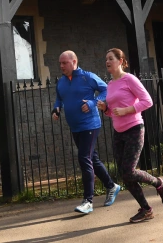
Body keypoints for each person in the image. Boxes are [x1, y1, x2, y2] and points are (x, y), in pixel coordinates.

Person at [97, 48, 163, 223]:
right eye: (106, 59)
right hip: (118, 132)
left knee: (129, 170)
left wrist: (127, 110)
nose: (107, 62)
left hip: (135, 129)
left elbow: (148, 101)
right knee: (125, 174)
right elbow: (114, 112)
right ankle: (146, 209)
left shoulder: (129, 79)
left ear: (121, 61)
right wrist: (106, 109)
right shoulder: (110, 84)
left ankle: (159, 183)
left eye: (111, 58)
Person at [52, 50, 120, 214]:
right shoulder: (61, 82)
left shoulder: (87, 77)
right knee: (92, 159)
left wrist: (92, 102)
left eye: (64, 63)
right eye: (60, 63)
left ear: (74, 61)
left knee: (84, 158)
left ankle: (88, 201)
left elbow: (106, 90)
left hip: (90, 124)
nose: (61, 66)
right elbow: (59, 98)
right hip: (75, 126)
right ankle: (112, 186)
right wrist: (56, 109)